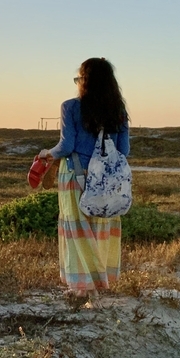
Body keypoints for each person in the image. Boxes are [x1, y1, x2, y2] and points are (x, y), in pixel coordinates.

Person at [39, 58, 130, 299]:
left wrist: (48, 154)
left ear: (84, 81)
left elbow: (66, 146)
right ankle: (102, 282)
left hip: (75, 175)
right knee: (101, 227)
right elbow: (124, 150)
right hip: (107, 180)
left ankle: (82, 287)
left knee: (77, 229)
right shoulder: (118, 111)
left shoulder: (70, 107)